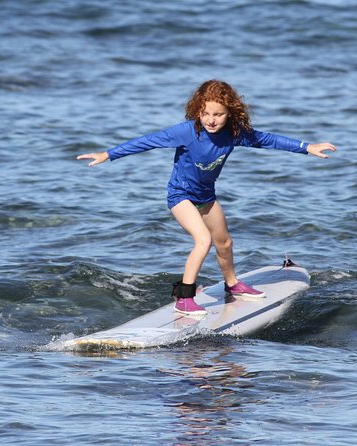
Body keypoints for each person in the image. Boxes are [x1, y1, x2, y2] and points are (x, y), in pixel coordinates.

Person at [77, 79, 336, 316]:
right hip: (181, 196)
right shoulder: (186, 132)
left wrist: (307, 147)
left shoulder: (235, 133)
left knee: (224, 243)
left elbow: (267, 140)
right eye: (206, 114)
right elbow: (147, 141)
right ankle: (184, 297)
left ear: (230, 114)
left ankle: (232, 284)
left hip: (206, 196)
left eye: (218, 114)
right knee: (203, 241)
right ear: (197, 111)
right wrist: (108, 154)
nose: (211, 120)